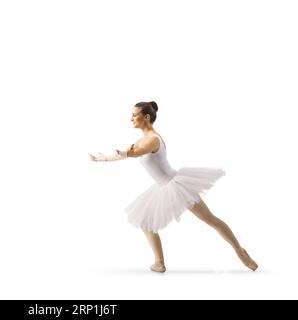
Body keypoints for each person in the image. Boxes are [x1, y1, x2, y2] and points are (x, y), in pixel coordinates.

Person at [90, 102, 258, 273]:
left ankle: (241, 252)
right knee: (146, 222)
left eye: (134, 114)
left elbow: (136, 152)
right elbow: (126, 154)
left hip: (176, 185)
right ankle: (159, 263)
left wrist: (125, 153)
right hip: (162, 187)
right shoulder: (141, 140)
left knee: (209, 219)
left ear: (146, 117)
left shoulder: (153, 139)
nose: (131, 118)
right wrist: (102, 158)